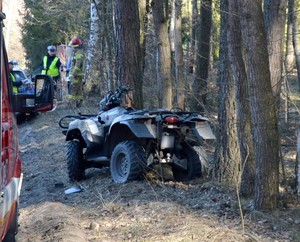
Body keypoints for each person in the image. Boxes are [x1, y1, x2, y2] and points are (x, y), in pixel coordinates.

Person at [67, 37, 85, 107]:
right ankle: (79, 103)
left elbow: (77, 65)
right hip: (78, 75)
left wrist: (73, 74)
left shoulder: (78, 53)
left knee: (73, 89)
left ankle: (71, 104)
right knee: (79, 90)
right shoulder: (78, 52)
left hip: (76, 75)